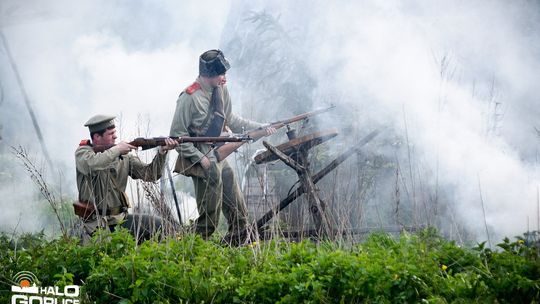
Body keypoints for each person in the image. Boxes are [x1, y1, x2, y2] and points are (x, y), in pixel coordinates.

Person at [170, 49, 275, 241]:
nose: (224, 77)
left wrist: (260, 127)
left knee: (232, 190)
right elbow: (177, 136)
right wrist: (199, 158)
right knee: (209, 213)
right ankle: (197, 245)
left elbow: (232, 119)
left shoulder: (221, 90)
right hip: (199, 154)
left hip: (217, 151)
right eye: (221, 73)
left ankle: (240, 236)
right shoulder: (189, 97)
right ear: (209, 75)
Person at [75, 114, 177, 243]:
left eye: (115, 132)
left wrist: (162, 153)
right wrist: (117, 150)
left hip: (119, 220)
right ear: (96, 137)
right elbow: (93, 164)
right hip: (94, 224)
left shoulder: (124, 156)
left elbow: (150, 174)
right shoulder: (83, 153)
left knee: (162, 227)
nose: (115, 136)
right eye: (110, 133)